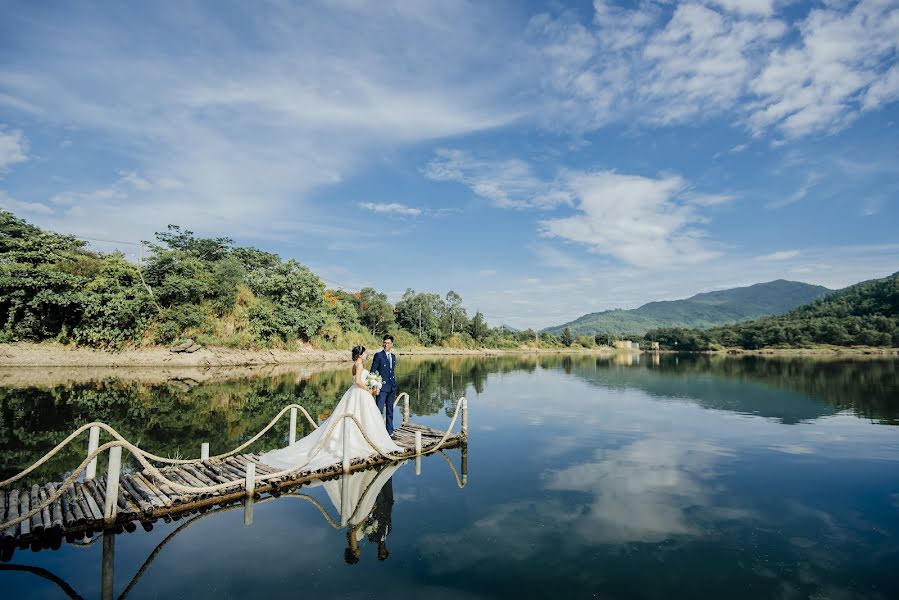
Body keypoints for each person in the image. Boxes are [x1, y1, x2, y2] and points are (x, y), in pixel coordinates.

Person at [261, 345, 403, 472]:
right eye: (365, 353)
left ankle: (362, 439)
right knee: (362, 417)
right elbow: (359, 381)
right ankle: (363, 442)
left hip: (354, 393)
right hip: (360, 393)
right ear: (360, 355)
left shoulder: (355, 364)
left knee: (358, 417)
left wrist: (371, 385)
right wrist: (369, 390)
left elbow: (356, 379)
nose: (367, 354)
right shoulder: (359, 365)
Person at [369, 334, 398, 436]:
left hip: (392, 387)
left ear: (392, 344)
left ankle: (390, 431)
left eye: (388, 343)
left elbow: (391, 372)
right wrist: (375, 385)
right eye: (384, 343)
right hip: (382, 388)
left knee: (390, 410)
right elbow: (372, 372)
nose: (386, 345)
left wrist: (394, 386)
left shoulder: (393, 357)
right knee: (379, 410)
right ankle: (376, 432)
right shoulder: (378, 355)